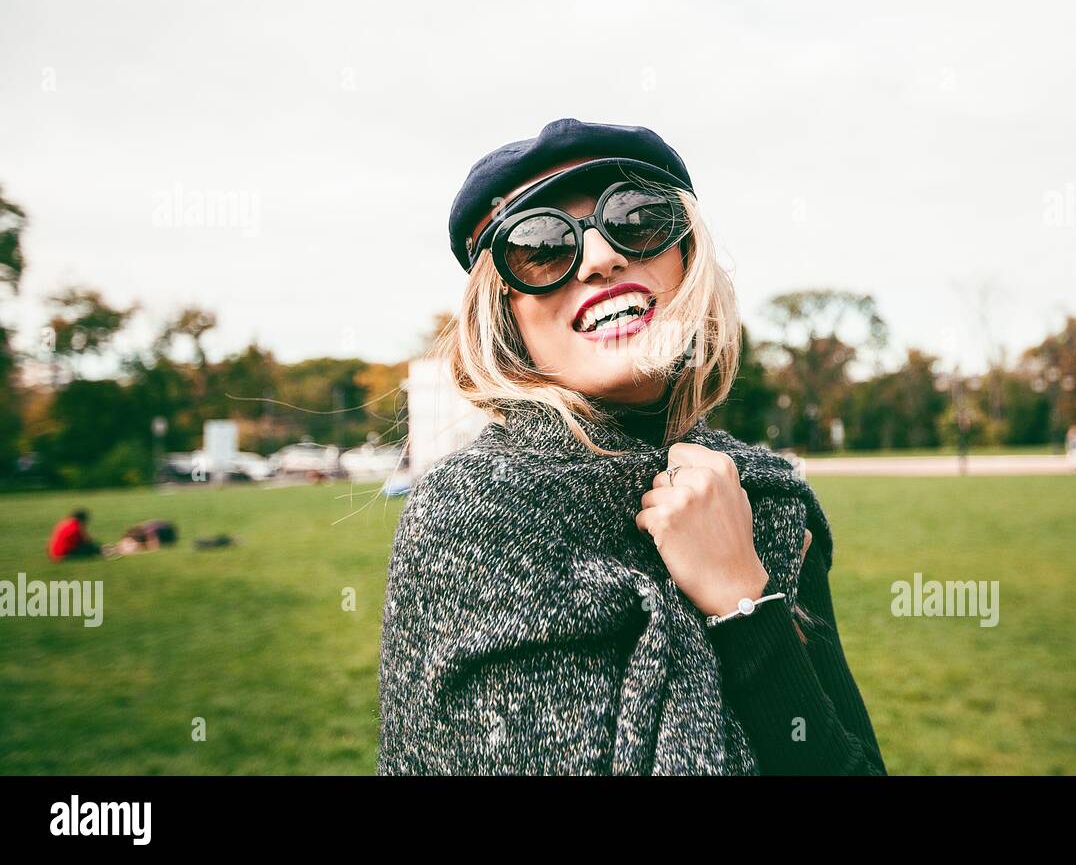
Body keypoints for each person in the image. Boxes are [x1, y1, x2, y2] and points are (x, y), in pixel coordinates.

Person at [377, 118, 887, 776]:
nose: (599, 259)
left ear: (687, 256)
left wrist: (743, 601)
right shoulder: (473, 515)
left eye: (637, 216)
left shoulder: (767, 497)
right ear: (506, 311)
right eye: (541, 245)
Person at [104, 519, 178, 558]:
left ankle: (118, 548)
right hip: (161, 526)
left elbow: (155, 548)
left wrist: (136, 553)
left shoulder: (149, 533)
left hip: (169, 532)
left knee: (136, 544)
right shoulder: (137, 531)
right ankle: (116, 548)